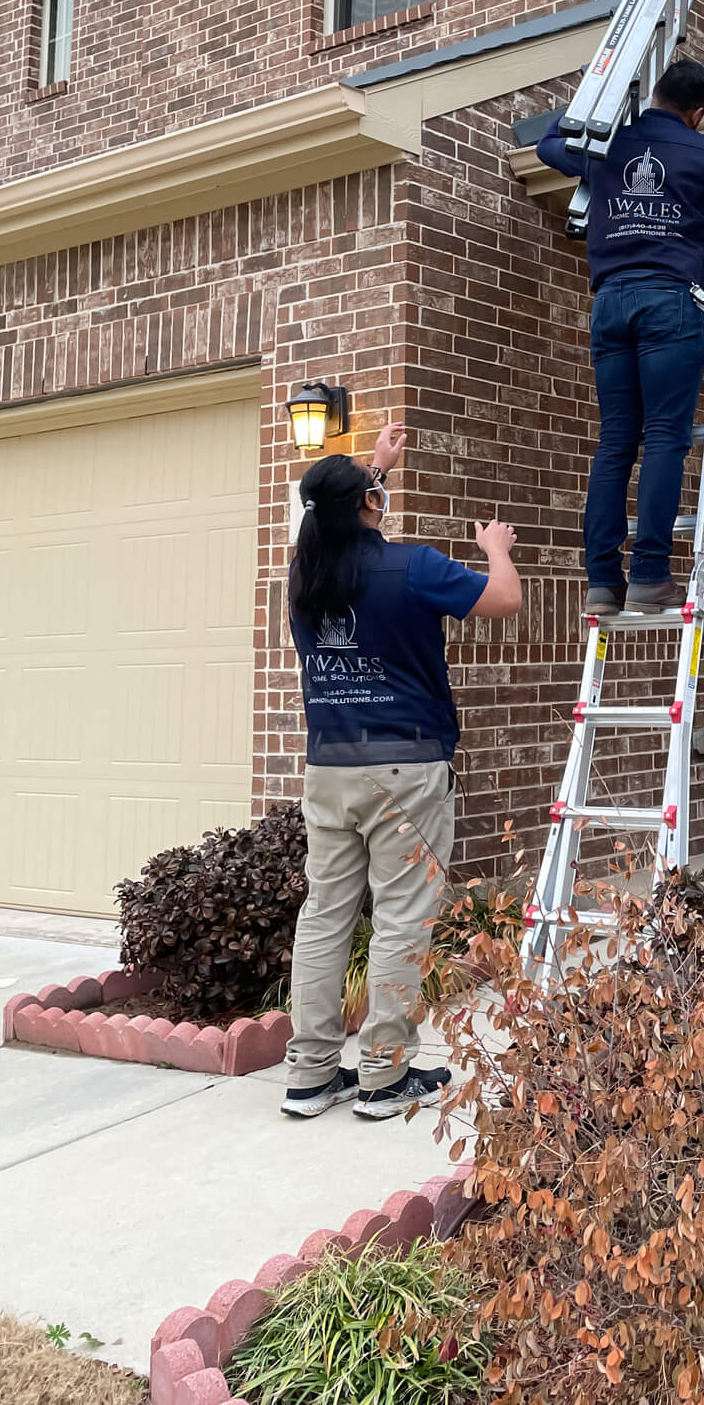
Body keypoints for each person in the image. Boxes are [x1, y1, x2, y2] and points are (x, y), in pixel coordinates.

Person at [281, 422, 521, 1121]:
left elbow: (331, 520)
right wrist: (495, 550)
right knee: (401, 922)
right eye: (372, 491)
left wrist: (375, 470)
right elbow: (504, 600)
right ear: (369, 508)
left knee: (324, 917)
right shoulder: (414, 566)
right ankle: (384, 1078)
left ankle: (310, 1074)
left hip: (329, 769)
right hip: (405, 770)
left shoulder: (306, 578)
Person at [536, 57, 704, 616]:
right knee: (667, 437)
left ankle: (602, 582)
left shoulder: (605, 146)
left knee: (616, 442)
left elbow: (550, 143)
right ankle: (649, 574)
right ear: (697, 113)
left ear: (653, 98)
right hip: (669, 303)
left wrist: (595, 101)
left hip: (610, 303)